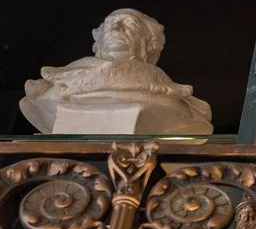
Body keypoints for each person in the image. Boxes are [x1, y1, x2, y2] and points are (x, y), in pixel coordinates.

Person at [20, 8, 212, 135]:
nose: (115, 28)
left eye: (129, 25)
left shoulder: (167, 93)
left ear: (147, 43)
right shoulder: (55, 85)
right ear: (99, 39)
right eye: (109, 24)